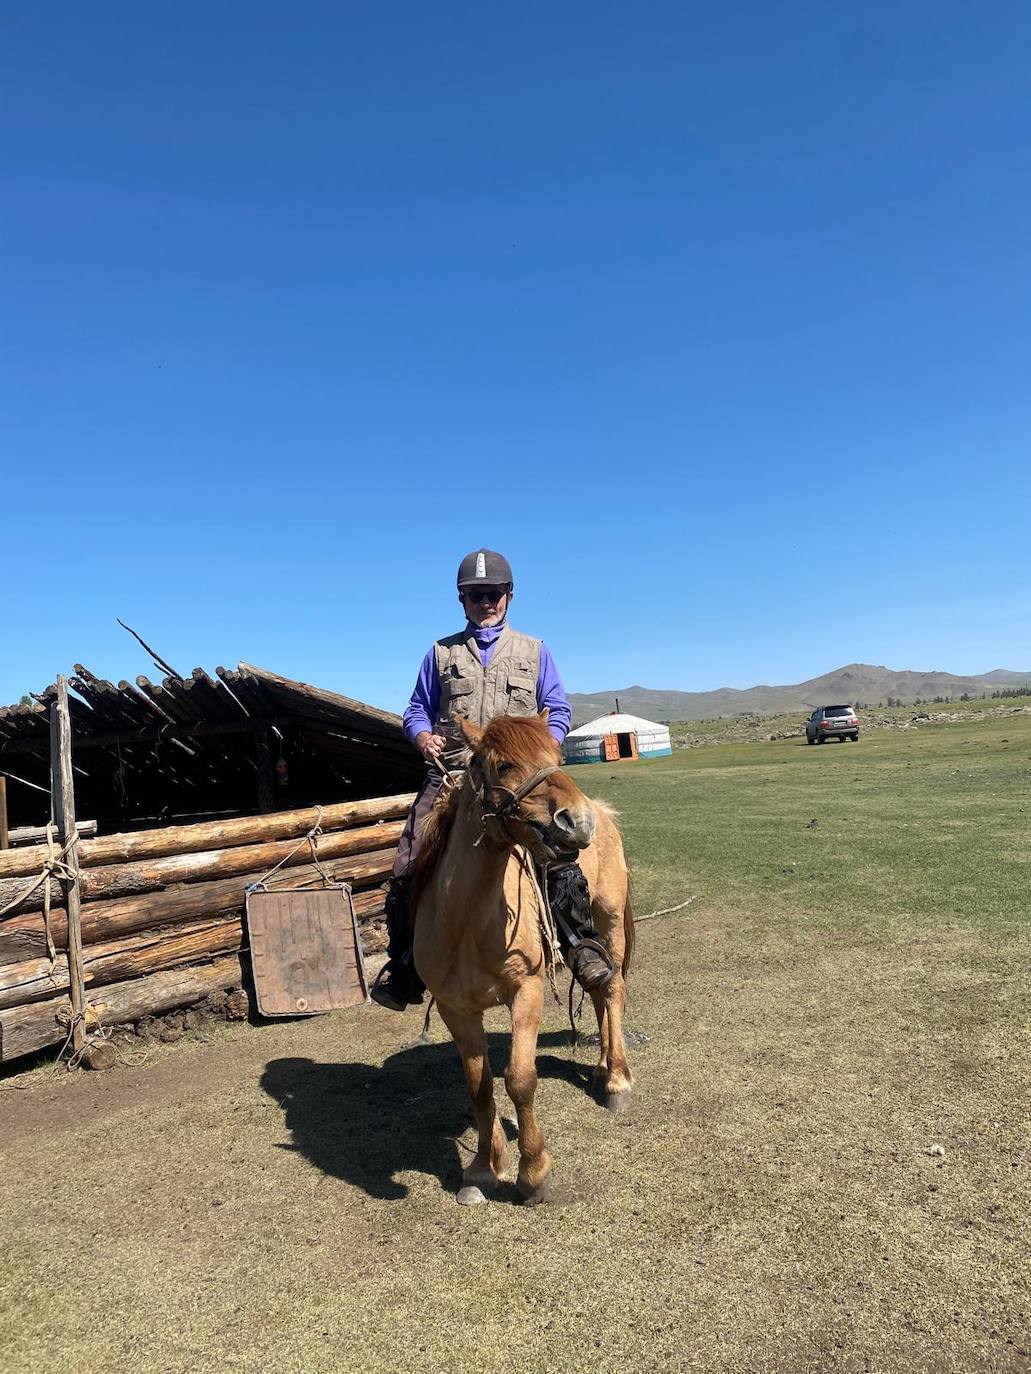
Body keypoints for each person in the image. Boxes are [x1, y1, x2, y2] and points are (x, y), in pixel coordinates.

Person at [371, 548, 615, 1012]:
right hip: (453, 779)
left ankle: (580, 945)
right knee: (406, 866)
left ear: (509, 596)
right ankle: (405, 965)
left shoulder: (534, 651)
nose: (486, 602)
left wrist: (542, 746)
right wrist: (422, 737)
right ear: (462, 600)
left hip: (520, 782)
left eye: (494, 594)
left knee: (562, 852)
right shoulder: (440, 654)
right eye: (476, 594)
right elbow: (417, 709)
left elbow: (557, 709)